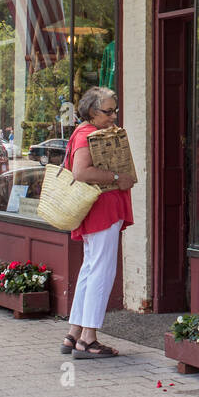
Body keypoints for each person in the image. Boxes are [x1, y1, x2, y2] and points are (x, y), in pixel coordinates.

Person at [61, 87, 134, 359]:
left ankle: (74, 333)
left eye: (115, 110)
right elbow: (81, 172)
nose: (114, 116)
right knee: (101, 272)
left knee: (90, 269)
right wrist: (117, 178)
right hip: (102, 210)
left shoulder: (84, 132)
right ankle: (89, 339)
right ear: (92, 111)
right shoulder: (87, 134)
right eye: (108, 111)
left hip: (98, 210)